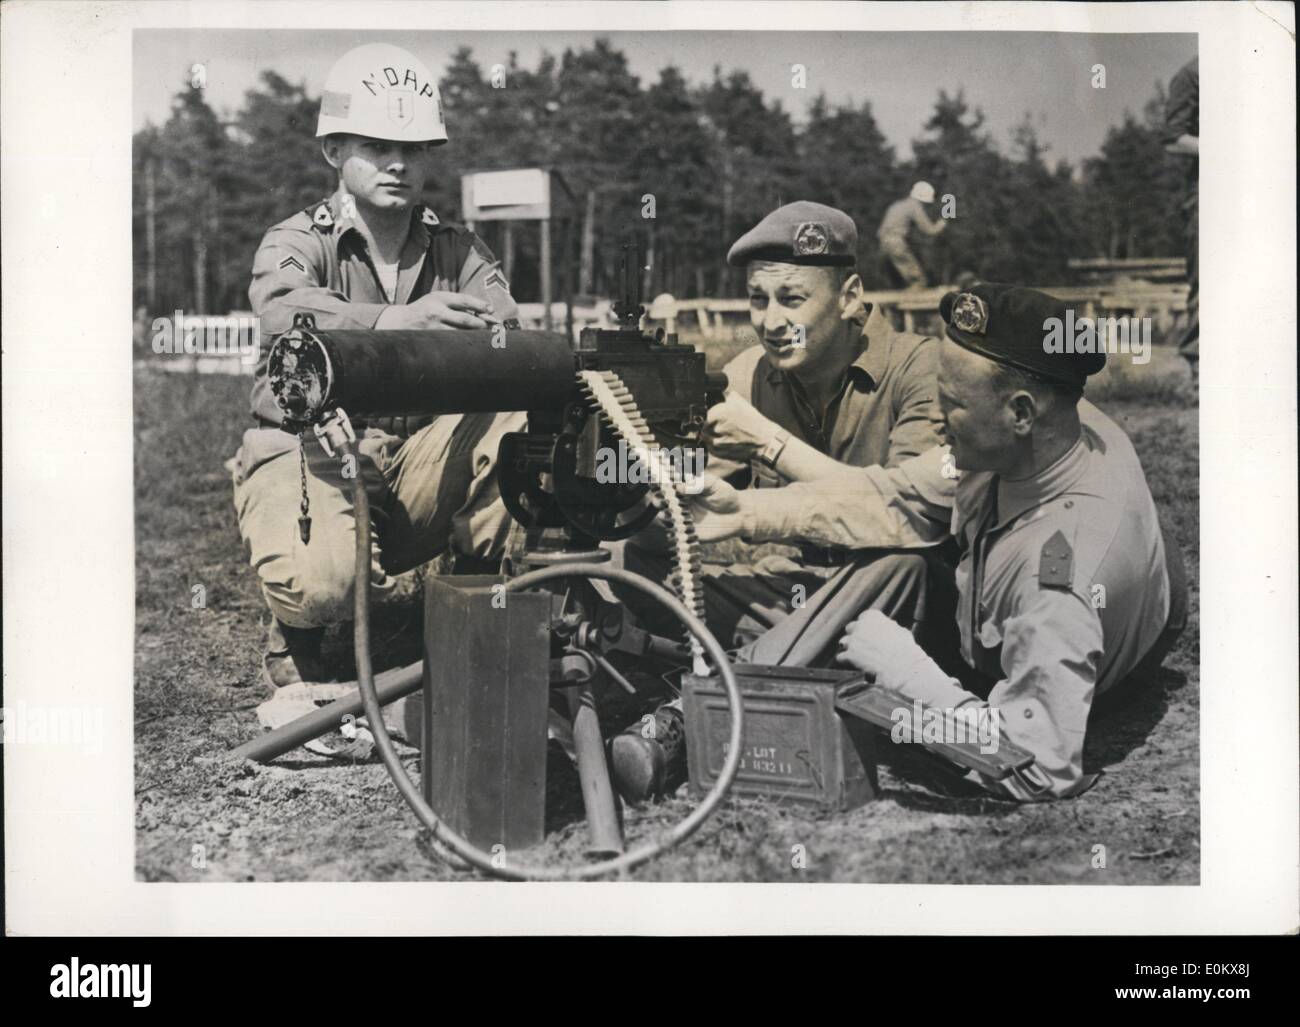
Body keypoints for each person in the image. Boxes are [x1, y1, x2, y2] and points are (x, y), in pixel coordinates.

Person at [685, 283, 1187, 800]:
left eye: (951, 405)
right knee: (900, 569)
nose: (935, 422)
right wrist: (747, 511)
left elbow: (1037, 767)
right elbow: (895, 497)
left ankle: (698, 713)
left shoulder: (1061, 581)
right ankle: (713, 674)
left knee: (890, 592)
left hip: (1070, 671)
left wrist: (911, 676)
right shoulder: (1032, 437)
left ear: (1020, 414)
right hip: (992, 614)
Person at [609, 200, 950, 801]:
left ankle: (700, 712)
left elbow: (906, 519)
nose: (770, 321)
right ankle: (793, 665)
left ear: (849, 297)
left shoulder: (919, 369)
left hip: (894, 598)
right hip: (797, 597)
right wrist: (647, 487)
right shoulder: (749, 374)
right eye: (758, 300)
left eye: (792, 299)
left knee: (900, 562)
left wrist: (768, 444)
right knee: (640, 565)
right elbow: (696, 511)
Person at [230, 43, 523, 688]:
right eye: (377, 144)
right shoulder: (297, 240)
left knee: (516, 419)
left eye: (415, 148)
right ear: (334, 150)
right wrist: (397, 323)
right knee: (324, 588)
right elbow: (285, 313)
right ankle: (301, 621)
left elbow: (505, 331)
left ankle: (471, 609)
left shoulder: (460, 249)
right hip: (310, 452)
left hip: (416, 460)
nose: (399, 162)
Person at [1164, 55, 1198, 385]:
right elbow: (1174, 138)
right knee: (1207, 278)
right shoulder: (1192, 73)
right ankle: (1203, 375)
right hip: (1207, 188)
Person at [877, 181, 947, 289]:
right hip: (895, 242)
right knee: (918, 280)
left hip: (883, 243)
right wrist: (942, 223)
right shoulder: (914, 206)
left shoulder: (897, 205)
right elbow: (929, 230)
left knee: (898, 278)